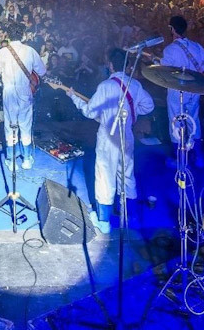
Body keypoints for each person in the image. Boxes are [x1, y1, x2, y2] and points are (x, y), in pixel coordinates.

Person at [65, 48, 154, 233]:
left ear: (111, 65)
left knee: (105, 176)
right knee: (126, 175)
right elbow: (149, 106)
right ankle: (129, 215)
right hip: (127, 135)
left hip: (107, 138)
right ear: (127, 66)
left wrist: (73, 97)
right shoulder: (135, 85)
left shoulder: (105, 86)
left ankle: (104, 222)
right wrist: (131, 114)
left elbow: (90, 112)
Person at [0, 23, 46, 169]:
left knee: (10, 125)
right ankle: (26, 160)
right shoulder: (30, 51)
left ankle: (12, 161)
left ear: (8, 35)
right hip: (25, 91)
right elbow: (42, 71)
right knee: (25, 124)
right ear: (23, 35)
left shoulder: (2, 52)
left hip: (9, 92)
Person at [159, 15, 204, 166]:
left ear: (172, 29)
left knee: (176, 122)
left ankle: (180, 160)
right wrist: (203, 70)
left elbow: (165, 71)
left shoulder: (170, 50)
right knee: (193, 121)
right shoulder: (196, 46)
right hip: (194, 89)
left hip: (176, 91)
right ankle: (199, 158)